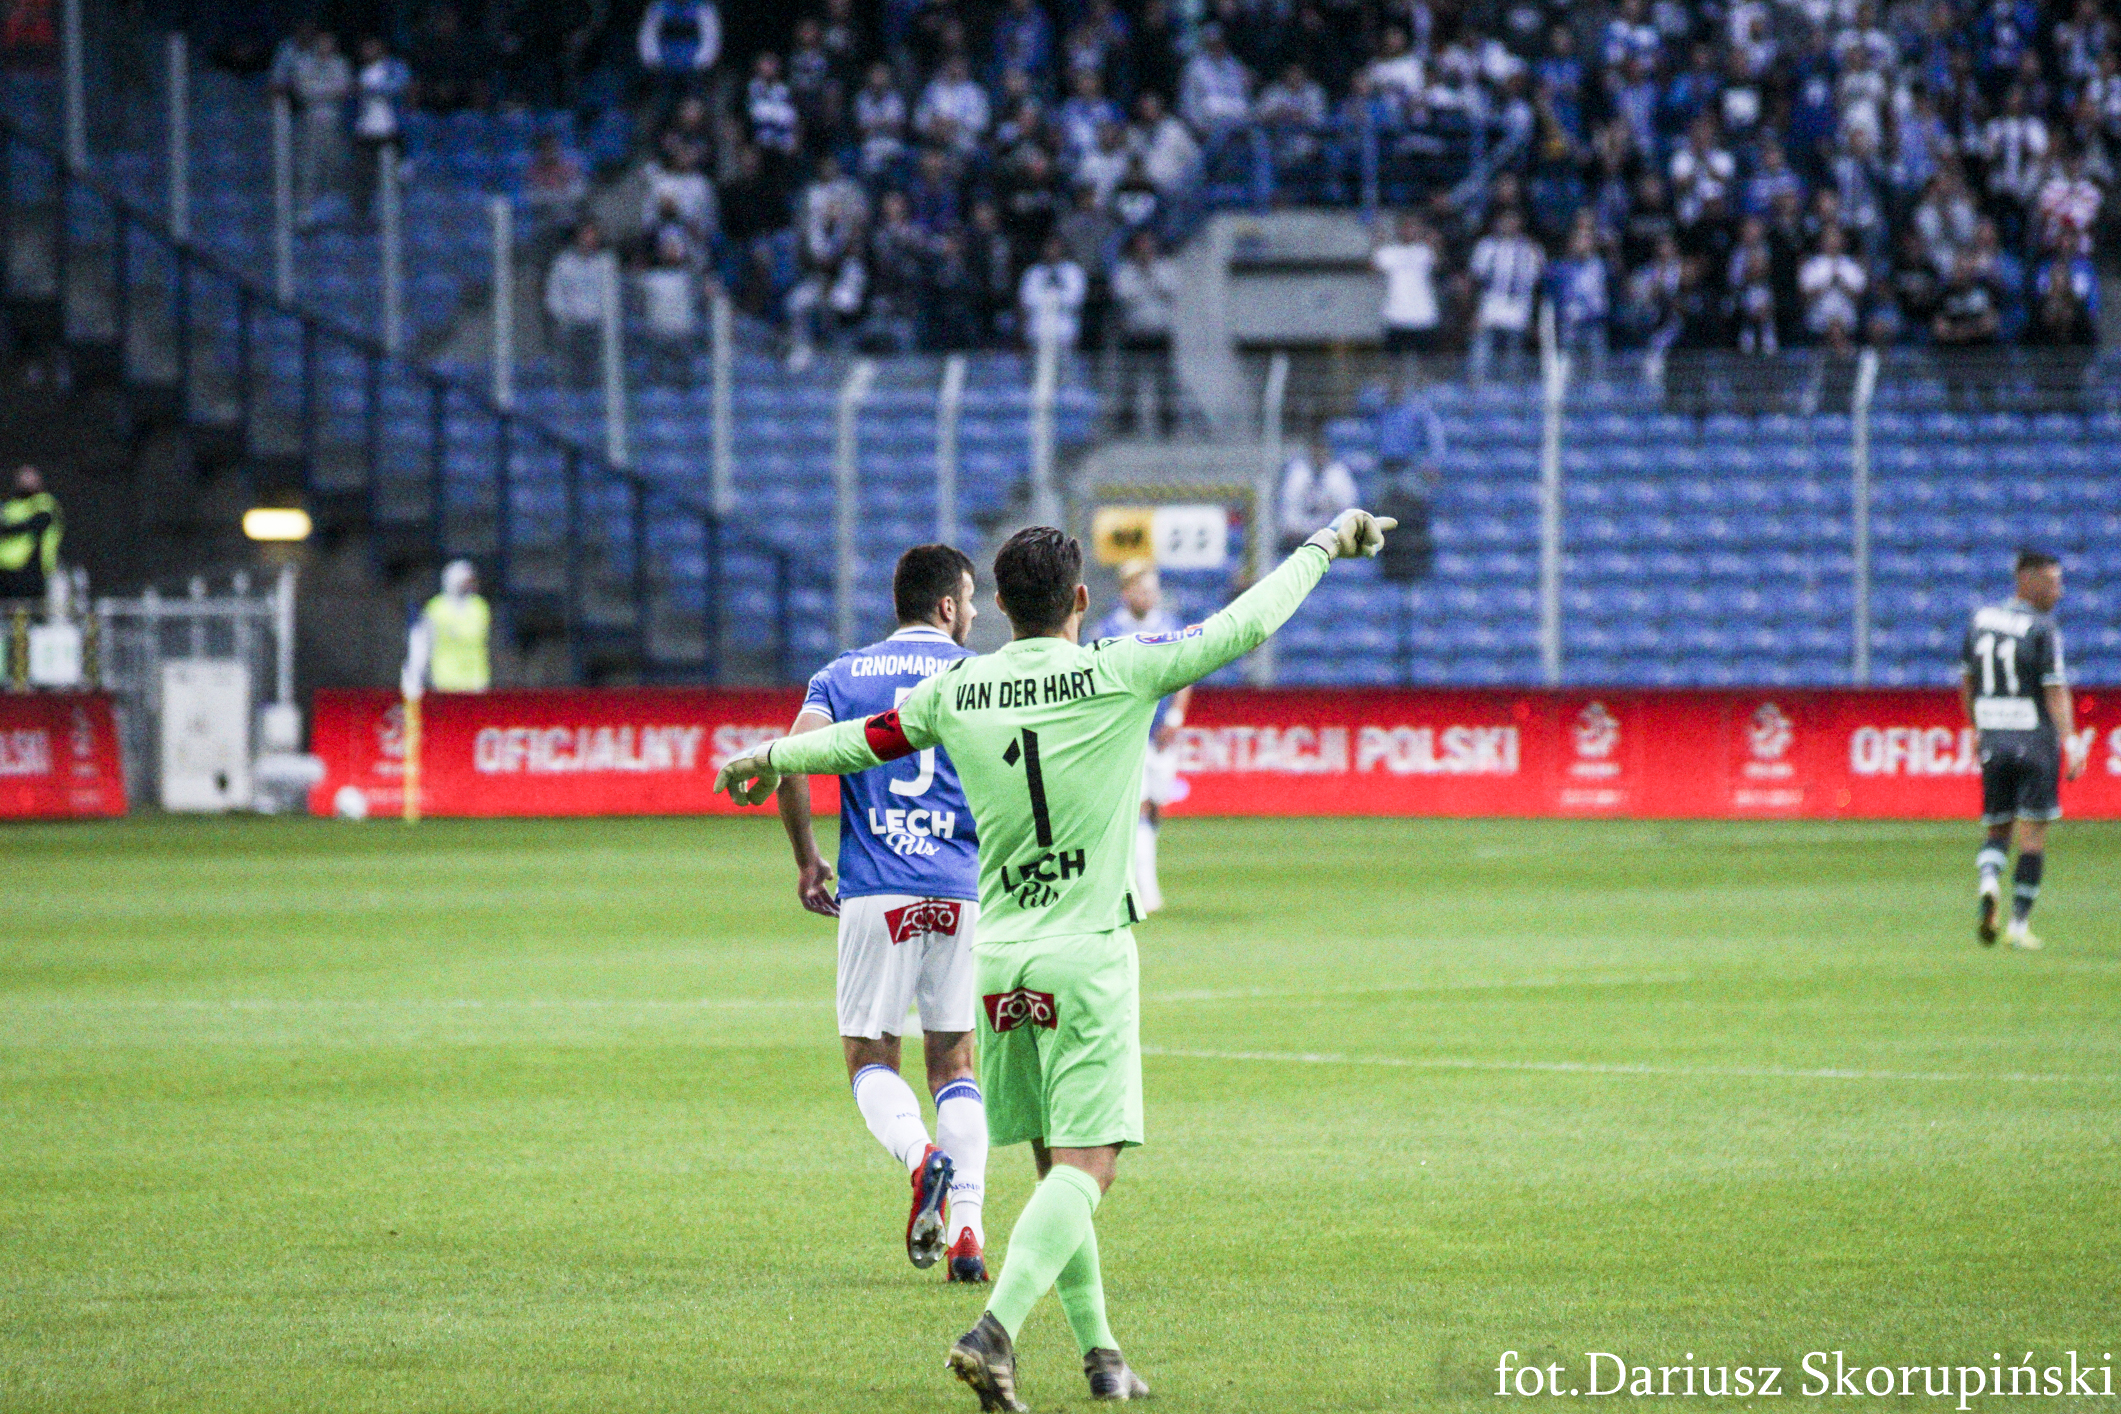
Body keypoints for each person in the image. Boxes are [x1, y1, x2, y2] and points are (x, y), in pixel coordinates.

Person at [714, 507, 1397, 1410]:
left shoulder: (959, 691)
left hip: (1000, 963)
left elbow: (860, 742)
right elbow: (1248, 621)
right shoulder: (1122, 668)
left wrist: (763, 756)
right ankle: (992, 1332)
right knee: (1087, 1169)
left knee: (1050, 1170)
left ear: (997, 605)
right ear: (1080, 598)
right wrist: (1322, 543)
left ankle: (1103, 1357)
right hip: (1085, 955)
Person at [773, 545, 992, 1282]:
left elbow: (788, 760)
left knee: (870, 1057)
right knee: (955, 1063)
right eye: (970, 599)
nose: (976, 612)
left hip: (876, 888)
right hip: (961, 888)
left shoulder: (841, 675)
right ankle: (968, 1232)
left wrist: (808, 859)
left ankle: (919, 1157)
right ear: (946, 608)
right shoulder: (977, 676)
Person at [1962, 550, 2086, 950]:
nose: (2058, 591)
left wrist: (1977, 726)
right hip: (2034, 740)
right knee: (2032, 835)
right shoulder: (2043, 628)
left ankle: (1987, 881)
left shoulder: (1980, 620)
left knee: (1998, 827)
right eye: (2051, 583)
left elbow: (1967, 682)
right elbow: (2054, 688)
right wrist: (2071, 740)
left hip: (1994, 737)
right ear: (2026, 580)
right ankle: (2017, 925)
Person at [1091, 561, 1190, 915]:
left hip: (1162, 732)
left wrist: (1176, 717)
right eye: (1142, 589)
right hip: (1129, 732)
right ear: (1126, 592)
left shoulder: (1169, 628)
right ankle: (1145, 890)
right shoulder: (1108, 631)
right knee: (1140, 807)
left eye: (1152, 590)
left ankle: (1138, 880)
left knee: (1155, 805)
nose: (1148, 596)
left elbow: (1184, 673)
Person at [402, 559, 490, 695]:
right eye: (464, 581)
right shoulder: (436, 609)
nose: (468, 585)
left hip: (476, 681)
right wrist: (416, 674)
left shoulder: (480, 607)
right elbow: (422, 643)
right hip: (445, 681)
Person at [1372, 213, 1441, 378]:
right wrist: (1377, 241)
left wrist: (1435, 242)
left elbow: (1438, 265)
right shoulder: (1389, 251)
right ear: (1399, 230)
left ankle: (1422, 393)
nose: (1410, 231)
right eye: (1406, 227)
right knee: (1393, 363)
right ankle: (1394, 395)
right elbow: (1374, 267)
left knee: (1424, 364)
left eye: (1414, 227)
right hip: (1396, 314)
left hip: (1423, 315)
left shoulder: (1425, 251)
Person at [544, 222, 610, 388]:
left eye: (592, 235)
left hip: (597, 326)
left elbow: (611, 296)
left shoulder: (605, 263)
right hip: (572, 325)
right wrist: (566, 317)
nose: (589, 239)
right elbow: (554, 295)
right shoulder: (563, 263)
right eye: (586, 235)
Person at [1277, 437, 1358, 552]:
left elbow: (1348, 506)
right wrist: (1296, 529)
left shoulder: (1339, 473)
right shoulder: (1297, 472)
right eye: (1315, 453)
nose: (1318, 457)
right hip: (1301, 534)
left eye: (1322, 453)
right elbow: (1288, 507)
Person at [0, 465, 61, 602]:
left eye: (30, 477)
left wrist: (7, 527)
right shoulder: (10, 505)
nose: (25, 481)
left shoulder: (44, 502)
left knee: (29, 614)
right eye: (22, 477)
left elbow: (35, 524)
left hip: (31, 572)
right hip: (4, 571)